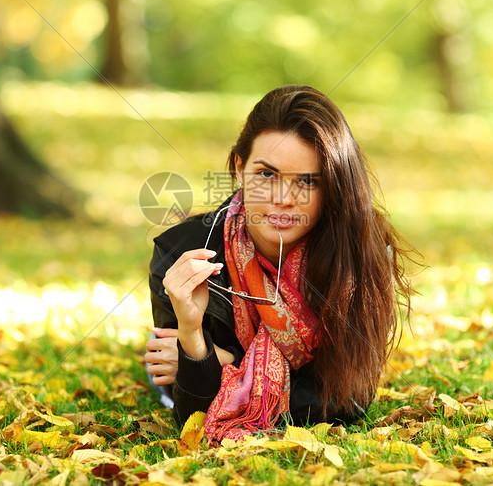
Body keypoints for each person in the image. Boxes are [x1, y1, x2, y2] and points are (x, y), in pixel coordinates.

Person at [145, 85, 415, 442]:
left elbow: (349, 400)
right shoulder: (179, 252)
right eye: (266, 174)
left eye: (307, 180)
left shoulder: (362, 251)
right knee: (158, 361)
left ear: (332, 186)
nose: (284, 199)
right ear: (240, 169)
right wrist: (193, 337)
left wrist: (225, 363)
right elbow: (193, 419)